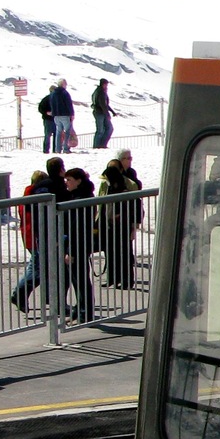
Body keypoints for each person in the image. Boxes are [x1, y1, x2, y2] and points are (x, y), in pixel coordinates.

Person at [59, 166, 96, 322]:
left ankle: (84, 312)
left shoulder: (80, 200)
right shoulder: (79, 196)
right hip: (80, 244)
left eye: (69, 180)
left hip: (78, 245)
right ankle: (80, 310)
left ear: (79, 181)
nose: (66, 183)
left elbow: (76, 228)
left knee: (80, 280)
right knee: (78, 279)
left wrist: (71, 251)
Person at [98, 157, 140, 289]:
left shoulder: (129, 184)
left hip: (123, 225)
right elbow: (100, 202)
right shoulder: (106, 184)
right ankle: (112, 278)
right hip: (108, 223)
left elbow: (136, 206)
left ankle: (127, 280)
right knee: (109, 251)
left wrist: (134, 226)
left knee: (125, 252)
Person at [10, 169, 49, 313]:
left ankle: (21, 294)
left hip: (30, 236)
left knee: (36, 267)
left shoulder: (26, 194)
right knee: (38, 270)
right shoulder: (35, 196)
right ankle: (19, 293)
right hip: (35, 236)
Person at [51, 80, 76, 152]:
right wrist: (72, 114)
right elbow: (69, 104)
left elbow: (52, 104)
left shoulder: (53, 93)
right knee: (67, 131)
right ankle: (66, 148)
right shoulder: (65, 93)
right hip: (65, 115)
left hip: (56, 116)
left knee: (58, 132)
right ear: (63, 84)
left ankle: (57, 149)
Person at [91, 79, 113, 149]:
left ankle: (100, 145)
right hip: (100, 113)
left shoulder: (98, 91)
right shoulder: (101, 93)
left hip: (100, 112)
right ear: (104, 84)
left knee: (103, 129)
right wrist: (108, 114)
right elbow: (103, 105)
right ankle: (98, 145)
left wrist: (112, 112)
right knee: (103, 130)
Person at [37, 83, 57, 153]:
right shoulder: (46, 99)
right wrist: (46, 113)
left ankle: (54, 150)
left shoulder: (57, 99)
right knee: (48, 136)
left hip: (55, 120)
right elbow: (40, 108)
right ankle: (46, 150)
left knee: (55, 135)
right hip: (48, 120)